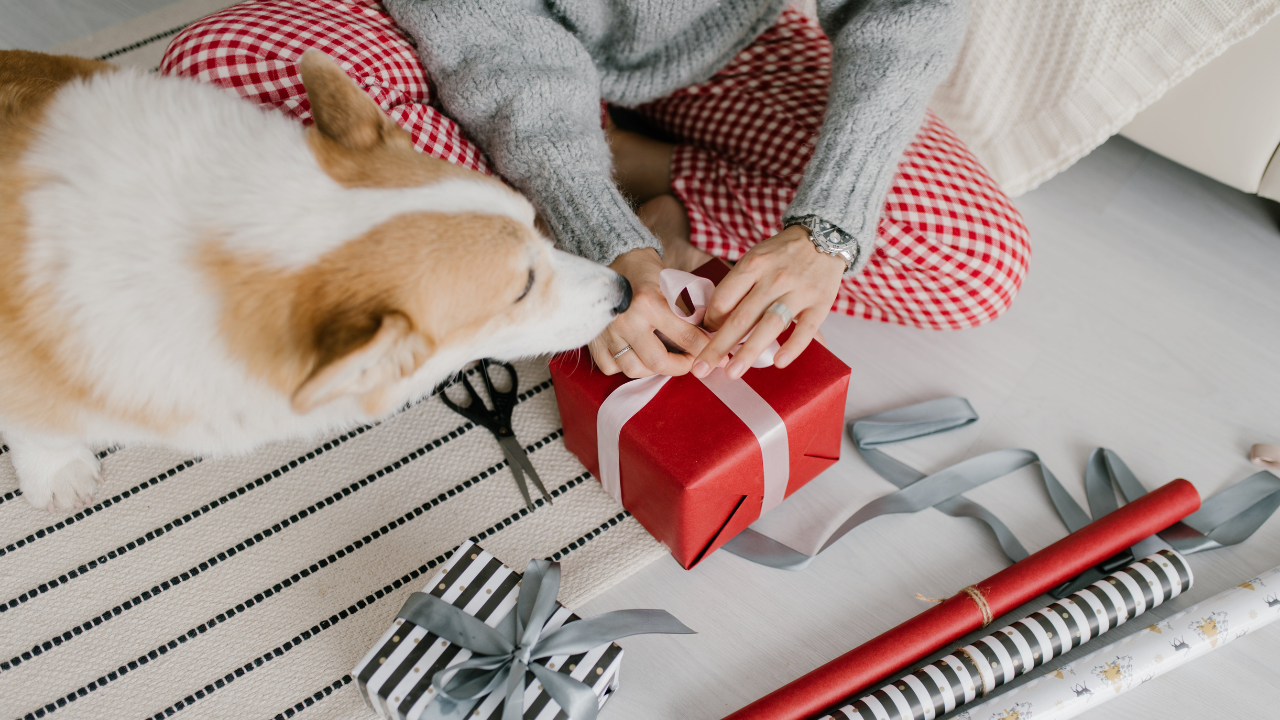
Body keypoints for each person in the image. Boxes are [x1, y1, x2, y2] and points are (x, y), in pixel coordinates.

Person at [164, 0, 1029, 382]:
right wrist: (597, 237)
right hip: (453, 36)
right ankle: (570, 215)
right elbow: (497, 44)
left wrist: (828, 229)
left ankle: (638, 172)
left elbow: (906, 8)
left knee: (979, 263)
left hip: (715, 45)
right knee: (220, 66)